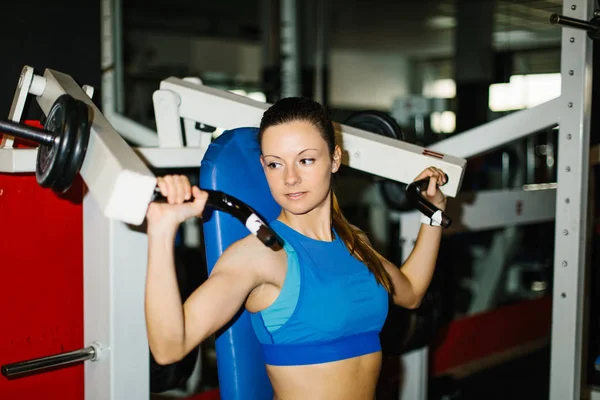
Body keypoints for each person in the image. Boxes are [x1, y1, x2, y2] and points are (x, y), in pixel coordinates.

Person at [144, 97, 447, 400]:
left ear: (335, 159)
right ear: (263, 166)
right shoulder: (260, 254)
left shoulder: (355, 243)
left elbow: (411, 292)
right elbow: (170, 348)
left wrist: (432, 214)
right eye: (276, 164)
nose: (290, 178)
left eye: (305, 160)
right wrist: (161, 229)